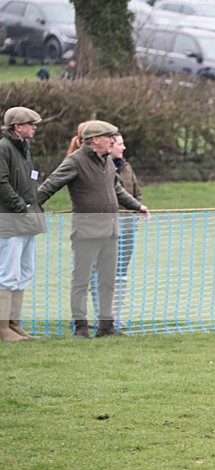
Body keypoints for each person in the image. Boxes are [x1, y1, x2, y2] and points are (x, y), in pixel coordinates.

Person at [38, 120, 150, 338]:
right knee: (81, 280)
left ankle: (106, 326)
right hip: (86, 232)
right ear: (95, 140)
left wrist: (138, 206)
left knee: (108, 280)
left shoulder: (107, 161)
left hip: (111, 231)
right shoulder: (74, 161)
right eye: (109, 137)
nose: (112, 141)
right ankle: (80, 327)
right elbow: (50, 185)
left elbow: (117, 189)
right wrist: (31, 207)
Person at [0, 107, 46, 342]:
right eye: (31, 124)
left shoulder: (23, 149)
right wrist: (22, 207)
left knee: (24, 272)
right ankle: (3, 328)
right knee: (7, 274)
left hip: (27, 221)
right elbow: (2, 183)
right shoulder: (3, 148)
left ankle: (15, 324)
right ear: (18, 127)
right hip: (10, 221)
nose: (35, 128)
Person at [107, 132, 143, 327]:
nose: (124, 147)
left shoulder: (127, 167)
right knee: (105, 273)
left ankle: (116, 316)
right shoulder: (102, 168)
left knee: (121, 273)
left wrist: (139, 207)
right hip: (108, 228)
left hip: (128, 228)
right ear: (109, 146)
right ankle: (103, 316)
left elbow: (136, 190)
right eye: (120, 144)